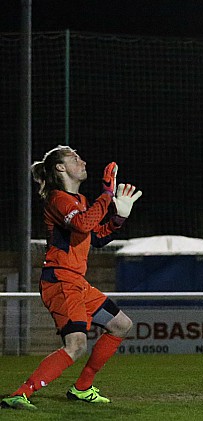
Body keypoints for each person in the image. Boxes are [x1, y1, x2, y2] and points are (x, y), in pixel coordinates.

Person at [1, 146, 143, 410]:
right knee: (76, 345)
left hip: (77, 282)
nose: (82, 161)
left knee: (121, 325)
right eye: (75, 158)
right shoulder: (58, 198)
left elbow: (96, 237)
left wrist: (119, 217)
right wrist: (107, 194)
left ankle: (82, 388)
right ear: (60, 168)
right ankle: (20, 394)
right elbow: (83, 225)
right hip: (61, 281)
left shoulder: (81, 203)